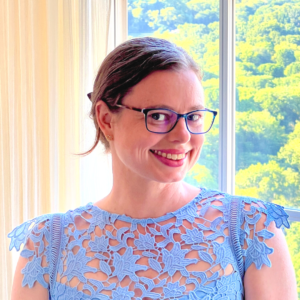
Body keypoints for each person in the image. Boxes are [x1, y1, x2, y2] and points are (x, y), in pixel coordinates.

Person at [8, 37, 297, 300]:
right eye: (159, 116)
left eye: (194, 116)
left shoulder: (252, 229)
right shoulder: (47, 244)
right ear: (107, 119)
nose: (183, 135)